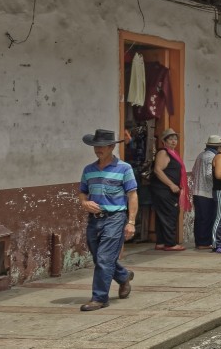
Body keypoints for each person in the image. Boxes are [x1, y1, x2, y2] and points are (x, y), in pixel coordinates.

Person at [78, 129, 138, 311]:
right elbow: (82, 192)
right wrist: (84, 203)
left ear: (112, 147)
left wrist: (131, 222)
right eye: (96, 146)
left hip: (115, 218)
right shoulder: (88, 170)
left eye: (102, 146)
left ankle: (99, 298)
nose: (98, 150)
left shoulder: (124, 168)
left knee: (104, 258)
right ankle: (123, 276)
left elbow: (132, 195)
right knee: (100, 258)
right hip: (94, 219)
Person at [151, 128, 190, 252]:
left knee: (163, 215)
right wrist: (171, 185)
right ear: (164, 141)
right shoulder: (163, 152)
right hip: (164, 190)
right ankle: (170, 243)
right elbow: (158, 170)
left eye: (175, 139)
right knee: (170, 215)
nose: (174, 141)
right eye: (170, 139)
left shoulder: (173, 153)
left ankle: (161, 242)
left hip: (168, 191)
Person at [191, 135, 221, 250]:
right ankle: (204, 242)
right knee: (207, 218)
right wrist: (219, 180)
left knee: (200, 218)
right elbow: (209, 174)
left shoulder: (201, 155)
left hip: (197, 191)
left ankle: (199, 241)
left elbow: (193, 171)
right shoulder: (213, 157)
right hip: (207, 192)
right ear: (219, 147)